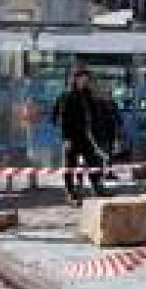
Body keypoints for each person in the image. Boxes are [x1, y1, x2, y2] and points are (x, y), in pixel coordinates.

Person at [51, 67, 106, 205]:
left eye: (86, 78)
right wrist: (66, 138)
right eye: (82, 78)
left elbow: (94, 114)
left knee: (93, 160)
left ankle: (96, 187)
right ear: (75, 79)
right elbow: (60, 118)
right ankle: (70, 193)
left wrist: (96, 131)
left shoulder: (87, 95)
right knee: (70, 164)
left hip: (85, 135)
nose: (85, 81)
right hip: (71, 136)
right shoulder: (66, 96)